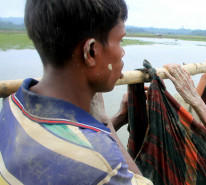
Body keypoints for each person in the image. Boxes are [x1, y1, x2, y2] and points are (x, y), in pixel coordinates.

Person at [0, 0, 152, 184]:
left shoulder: (10, 106)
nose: (122, 53)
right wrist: (106, 123)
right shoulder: (103, 162)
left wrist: (119, 117)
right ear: (91, 52)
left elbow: (59, 146)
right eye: (120, 41)